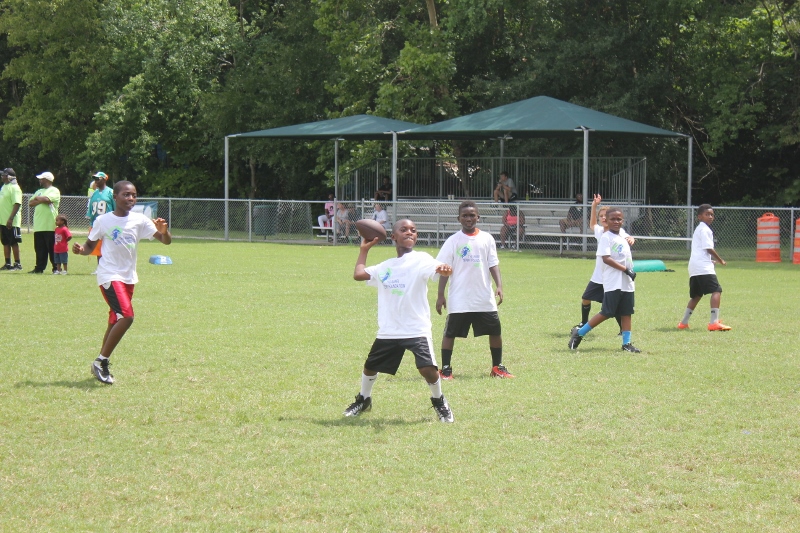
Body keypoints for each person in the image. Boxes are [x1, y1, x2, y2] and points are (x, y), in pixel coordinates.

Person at [343, 219, 455, 422]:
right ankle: (364, 399)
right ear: (393, 236)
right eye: (404, 230)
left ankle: (439, 400)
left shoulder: (421, 259)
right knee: (371, 366)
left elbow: (437, 267)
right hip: (389, 329)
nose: (409, 232)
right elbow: (358, 274)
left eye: (413, 230)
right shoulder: (386, 267)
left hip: (416, 328)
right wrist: (364, 250)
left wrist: (443, 269)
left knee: (427, 369)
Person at [72, 181, 172, 384]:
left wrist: (164, 231)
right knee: (126, 316)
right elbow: (90, 245)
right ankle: (101, 361)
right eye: (126, 194)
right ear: (115, 197)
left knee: (115, 319)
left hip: (128, 278)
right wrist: (81, 250)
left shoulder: (140, 220)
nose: (131, 198)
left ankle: (101, 362)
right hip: (109, 275)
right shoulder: (103, 220)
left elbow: (165, 241)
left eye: (134, 195)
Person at [435, 200, 513, 380]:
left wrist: (499, 286)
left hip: (483, 296)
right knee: (450, 333)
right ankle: (446, 370)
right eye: (465, 216)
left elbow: (493, 264)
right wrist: (440, 295)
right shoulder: (453, 241)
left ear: (478, 217)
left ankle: (497, 367)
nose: (468, 218)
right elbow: (444, 270)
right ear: (459, 218)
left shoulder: (487, 239)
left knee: (495, 331)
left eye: (472, 215)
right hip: (459, 297)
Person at [569, 207, 640, 353]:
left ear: (623, 221)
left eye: (619, 219)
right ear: (606, 220)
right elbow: (606, 259)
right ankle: (580, 333)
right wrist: (625, 270)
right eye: (612, 219)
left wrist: (628, 271)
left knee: (626, 312)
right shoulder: (606, 237)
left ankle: (626, 343)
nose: (616, 221)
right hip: (613, 281)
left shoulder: (622, 237)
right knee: (607, 312)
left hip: (626, 282)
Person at [574, 194, 635, 330]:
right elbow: (592, 224)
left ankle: (622, 330)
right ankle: (584, 323)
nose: (602, 218)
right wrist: (594, 206)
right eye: (600, 216)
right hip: (599, 275)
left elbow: (628, 237)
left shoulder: (620, 232)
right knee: (586, 297)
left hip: (612, 274)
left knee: (614, 306)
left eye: (604, 216)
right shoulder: (600, 231)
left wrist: (631, 238)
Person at [678, 204, 731, 331]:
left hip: (695, 266)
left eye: (712, 214)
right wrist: (720, 260)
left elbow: (700, 250)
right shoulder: (705, 230)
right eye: (707, 214)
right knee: (716, 290)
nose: (710, 217)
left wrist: (709, 260)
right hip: (702, 267)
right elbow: (708, 248)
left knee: (696, 295)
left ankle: (683, 323)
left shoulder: (699, 229)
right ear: (699, 217)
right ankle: (714, 322)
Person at [28, 171, 61, 274]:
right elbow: (30, 203)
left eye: (41, 179)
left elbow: (47, 199)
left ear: (47, 180)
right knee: (39, 249)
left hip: (50, 225)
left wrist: (38, 199)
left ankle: (56, 268)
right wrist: (40, 199)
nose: (40, 180)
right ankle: (39, 268)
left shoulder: (54, 190)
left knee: (52, 248)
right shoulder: (39, 191)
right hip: (39, 225)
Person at [87, 171, 115, 268]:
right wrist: (91, 224)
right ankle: (100, 267)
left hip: (108, 224)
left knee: (108, 247)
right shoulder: (94, 193)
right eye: (95, 179)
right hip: (96, 224)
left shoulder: (111, 192)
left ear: (104, 179)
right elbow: (91, 210)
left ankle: (109, 267)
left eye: (98, 179)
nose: (96, 181)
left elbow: (116, 208)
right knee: (98, 248)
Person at [0, 168, 23, 270]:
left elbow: (17, 203)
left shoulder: (15, 188)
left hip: (11, 221)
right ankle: (8, 263)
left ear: (9, 177)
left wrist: (11, 218)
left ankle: (17, 264)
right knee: (5, 242)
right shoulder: (4, 187)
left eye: (4, 175)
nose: (2, 176)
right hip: (2, 220)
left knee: (13, 242)